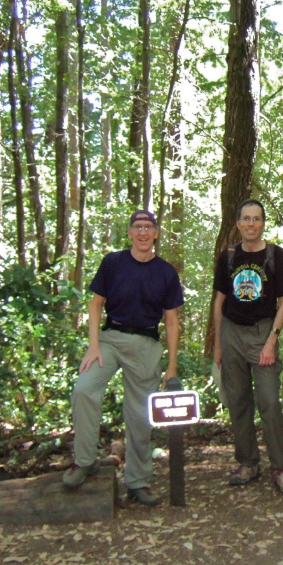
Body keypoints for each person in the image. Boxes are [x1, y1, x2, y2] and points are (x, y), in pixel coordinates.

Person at [63, 210, 184, 506]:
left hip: (145, 343)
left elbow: (171, 321)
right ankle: (85, 461)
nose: (143, 232)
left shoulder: (166, 272)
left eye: (149, 227)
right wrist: (93, 346)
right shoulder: (113, 263)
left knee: (140, 415)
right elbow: (95, 304)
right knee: (84, 389)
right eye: (137, 227)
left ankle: (137, 482)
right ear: (129, 232)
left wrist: (171, 366)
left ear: (156, 233)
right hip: (111, 339)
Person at [213, 199, 283, 494]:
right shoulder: (228, 257)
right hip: (231, 332)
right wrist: (217, 345)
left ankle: (281, 467)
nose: (251, 224)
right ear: (238, 224)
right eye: (246, 219)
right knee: (237, 401)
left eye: (256, 219)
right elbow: (219, 300)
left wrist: (271, 341)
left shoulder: (277, 256)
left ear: (263, 223)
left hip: (263, 331)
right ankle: (248, 462)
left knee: (269, 401)